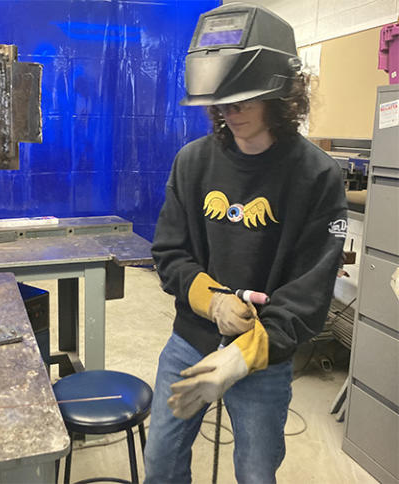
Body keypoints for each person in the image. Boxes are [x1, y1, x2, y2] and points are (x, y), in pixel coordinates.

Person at [143, 4, 347, 483]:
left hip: (265, 358)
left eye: (243, 99)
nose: (228, 112)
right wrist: (212, 303)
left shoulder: (317, 176)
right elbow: (169, 253)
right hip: (189, 343)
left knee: (256, 474)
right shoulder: (192, 163)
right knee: (160, 462)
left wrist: (241, 356)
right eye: (220, 101)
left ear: (281, 93)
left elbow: (309, 294)